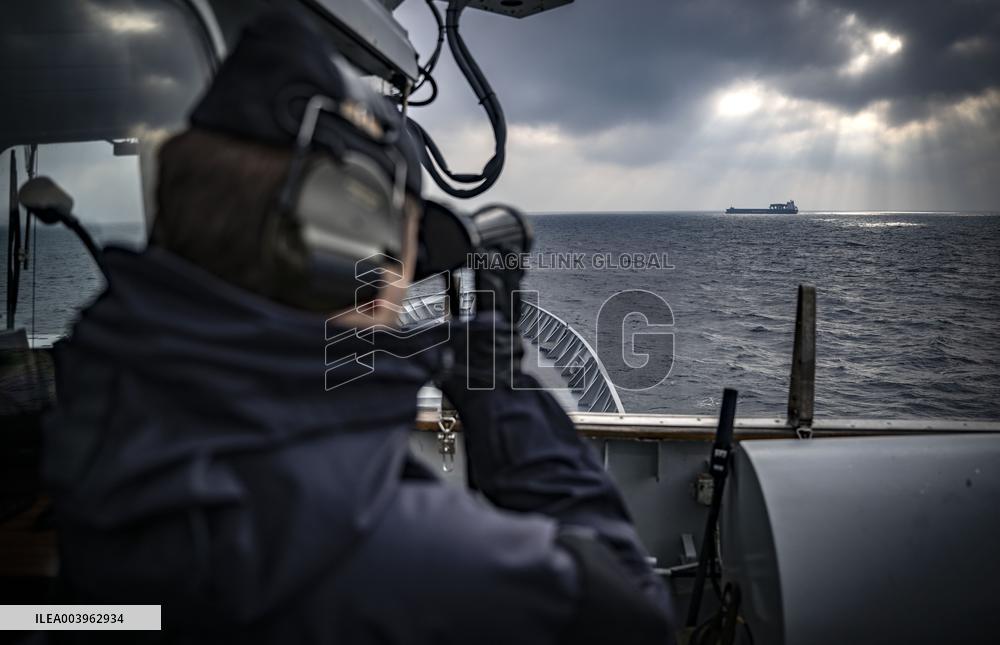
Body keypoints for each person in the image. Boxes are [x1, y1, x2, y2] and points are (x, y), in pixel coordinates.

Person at [42, 9, 675, 644]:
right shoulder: (386, 551)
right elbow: (632, 613)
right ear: (345, 244)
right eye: (404, 246)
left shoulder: (95, 418)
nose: (402, 283)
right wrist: (498, 381)